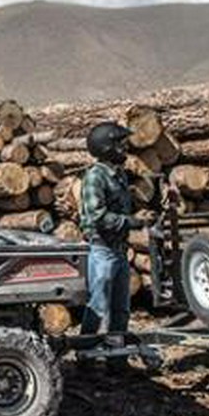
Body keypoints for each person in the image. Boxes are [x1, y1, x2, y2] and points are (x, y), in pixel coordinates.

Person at [79, 122, 150, 338]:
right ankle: (87, 357)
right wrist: (131, 222)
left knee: (121, 309)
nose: (125, 148)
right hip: (102, 251)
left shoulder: (119, 175)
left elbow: (124, 206)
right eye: (120, 144)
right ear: (106, 147)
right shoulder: (95, 177)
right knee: (98, 306)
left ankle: (117, 360)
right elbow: (97, 217)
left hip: (119, 250)